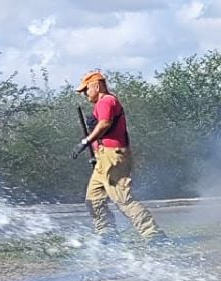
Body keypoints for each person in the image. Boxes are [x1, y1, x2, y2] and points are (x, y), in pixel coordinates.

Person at [71, 70, 169, 245]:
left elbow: (105, 123)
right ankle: (107, 233)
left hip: (112, 156)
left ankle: (153, 234)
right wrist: (96, 152)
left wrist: (85, 141)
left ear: (96, 85)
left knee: (123, 198)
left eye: (86, 89)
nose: (85, 94)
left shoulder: (106, 101)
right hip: (104, 157)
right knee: (93, 198)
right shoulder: (103, 103)